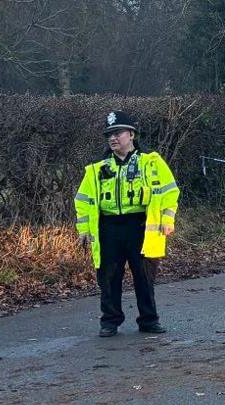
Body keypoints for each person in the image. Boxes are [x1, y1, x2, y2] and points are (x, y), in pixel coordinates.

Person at [74, 111, 180, 337]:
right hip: (108, 228)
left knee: (144, 276)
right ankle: (110, 321)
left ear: (131, 135)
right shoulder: (96, 168)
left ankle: (149, 321)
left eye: (117, 133)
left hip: (141, 226)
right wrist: (83, 229)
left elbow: (170, 191)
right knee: (108, 277)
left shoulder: (151, 162)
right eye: (109, 135)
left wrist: (168, 219)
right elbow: (82, 200)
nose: (113, 139)